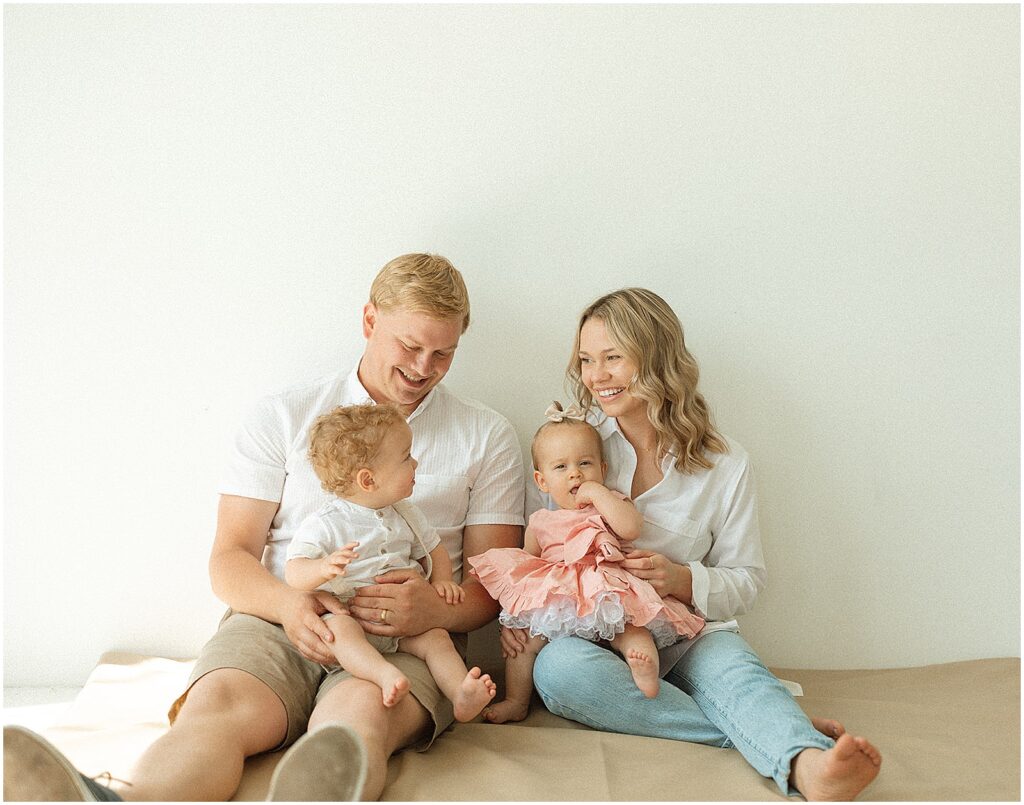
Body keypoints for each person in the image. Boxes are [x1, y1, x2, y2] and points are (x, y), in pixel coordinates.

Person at [2, 253, 525, 802]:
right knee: (219, 710)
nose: (424, 368)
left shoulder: (484, 435)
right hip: (278, 618)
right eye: (410, 346)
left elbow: (493, 587)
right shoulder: (284, 415)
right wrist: (287, 606)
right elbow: (230, 558)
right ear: (370, 321)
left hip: (406, 641)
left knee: (355, 721)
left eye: (443, 353)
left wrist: (434, 611)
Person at [508, 287, 882, 801]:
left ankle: (809, 768)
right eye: (588, 360)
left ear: (657, 357)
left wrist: (683, 578)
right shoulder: (576, 445)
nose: (596, 376)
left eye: (613, 358)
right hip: (603, 641)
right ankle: (768, 735)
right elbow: (547, 549)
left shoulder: (725, 464)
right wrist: (524, 624)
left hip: (690, 631)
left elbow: (748, 580)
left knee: (736, 673)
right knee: (559, 673)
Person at [468, 402, 705, 722]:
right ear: (542, 481)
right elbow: (528, 566)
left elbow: (631, 528)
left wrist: (597, 493)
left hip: (605, 587)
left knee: (632, 629)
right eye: (561, 467)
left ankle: (643, 667)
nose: (575, 473)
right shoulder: (541, 519)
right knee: (522, 645)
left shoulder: (610, 503)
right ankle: (517, 701)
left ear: (603, 470)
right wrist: (513, 620)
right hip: (561, 597)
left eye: (585, 463)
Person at [285, 402, 497, 720]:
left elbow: (435, 549)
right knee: (338, 631)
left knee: (437, 639)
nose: (415, 462)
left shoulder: (406, 512)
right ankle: (382, 674)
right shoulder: (327, 522)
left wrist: (442, 581)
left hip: (406, 626)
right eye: (405, 458)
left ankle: (460, 694)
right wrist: (321, 568)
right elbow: (293, 571)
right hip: (354, 617)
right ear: (368, 480)